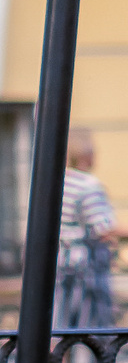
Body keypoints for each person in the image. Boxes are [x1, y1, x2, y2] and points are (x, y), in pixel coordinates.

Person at [60, 127, 117, 330]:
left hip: (58, 265)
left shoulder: (57, 181)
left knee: (59, 331)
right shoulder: (88, 185)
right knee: (92, 332)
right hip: (84, 269)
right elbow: (104, 228)